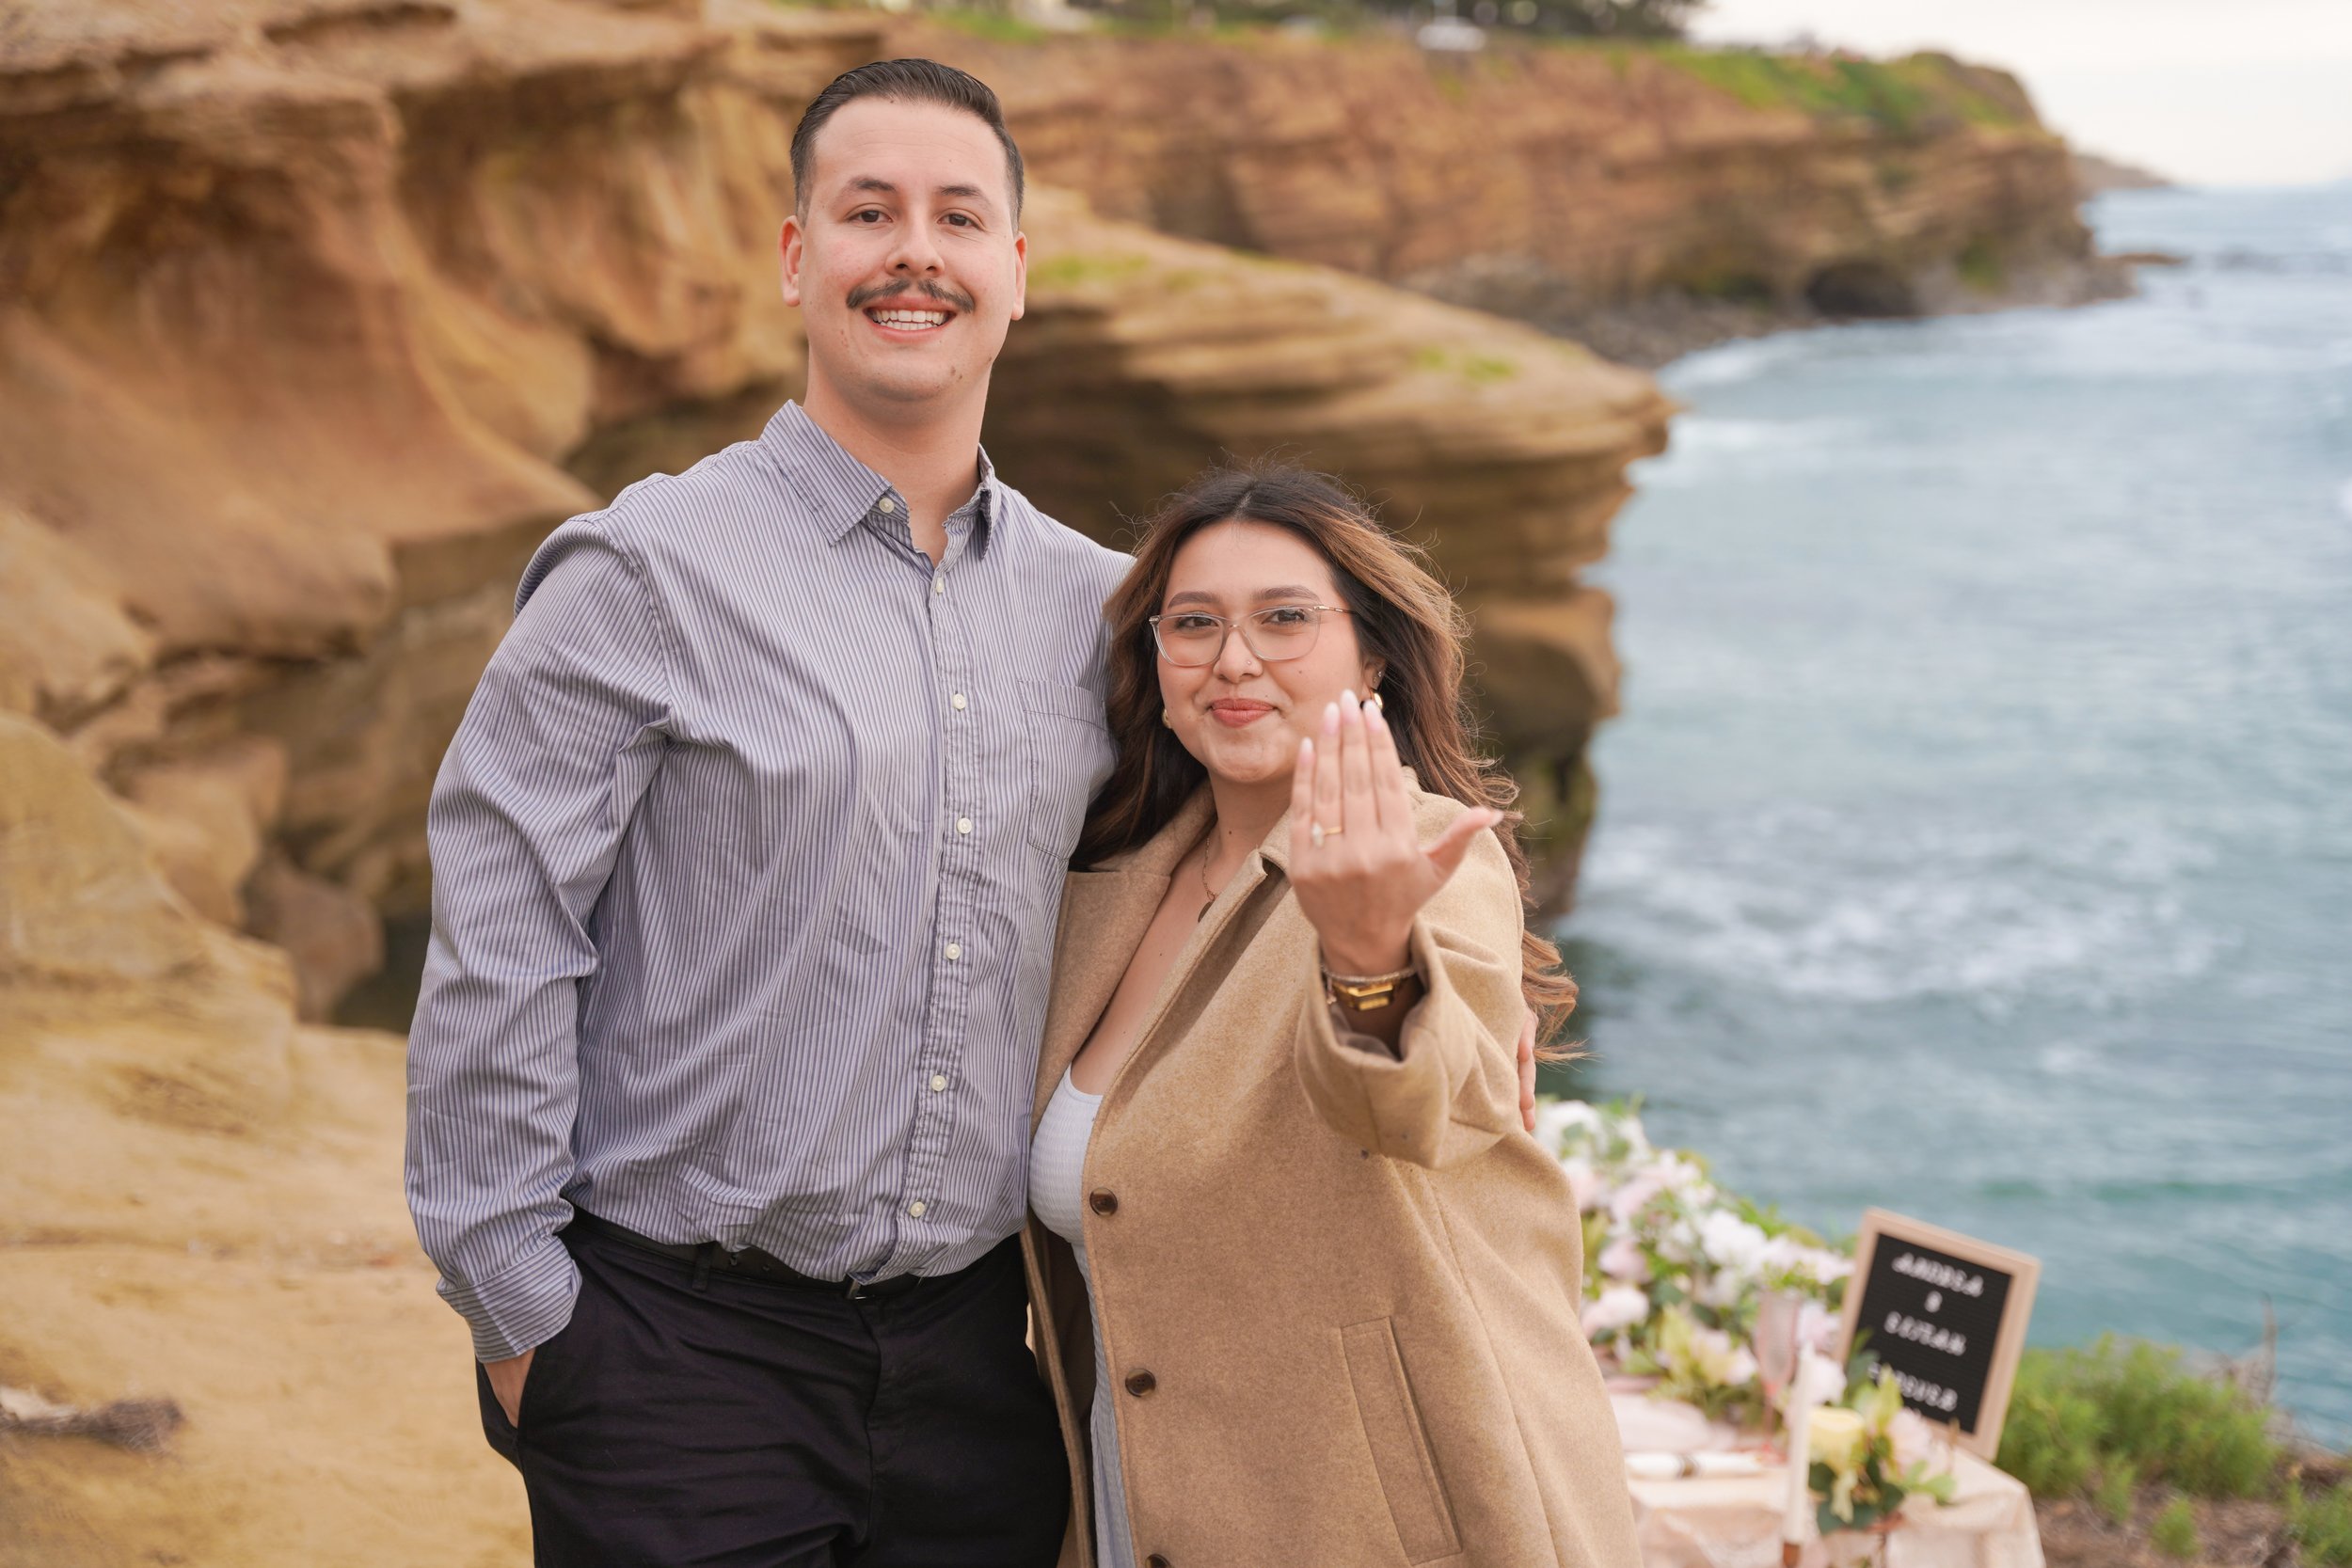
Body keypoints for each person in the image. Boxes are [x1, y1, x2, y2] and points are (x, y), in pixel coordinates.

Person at [405, 59, 1119, 1565]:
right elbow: (501, 933)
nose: (914, 250)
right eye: (869, 212)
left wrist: (1422, 970)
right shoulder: (642, 570)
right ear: (800, 259)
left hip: (982, 1367)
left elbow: (1223, 880)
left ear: (1015, 272)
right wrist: (529, 1321)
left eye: (957, 215)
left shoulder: (1103, 610)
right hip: (677, 1356)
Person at [1024, 464, 1642, 1568]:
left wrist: (1367, 958)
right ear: (1153, 660)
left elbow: (1416, 1099)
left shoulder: (1425, 859)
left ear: (1372, 655)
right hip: (1136, 1507)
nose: (1235, 659)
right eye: (1194, 623)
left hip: (1377, 1515)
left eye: (1285, 618)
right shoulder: (1099, 890)